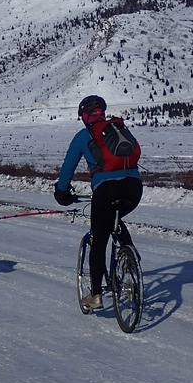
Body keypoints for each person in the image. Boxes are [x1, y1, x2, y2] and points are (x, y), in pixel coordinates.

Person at [53, 95, 143, 310]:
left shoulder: (84, 136)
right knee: (115, 219)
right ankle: (130, 256)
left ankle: (95, 295)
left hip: (106, 190)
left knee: (99, 237)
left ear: (84, 116)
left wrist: (62, 193)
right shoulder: (119, 130)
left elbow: (67, 171)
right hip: (134, 188)